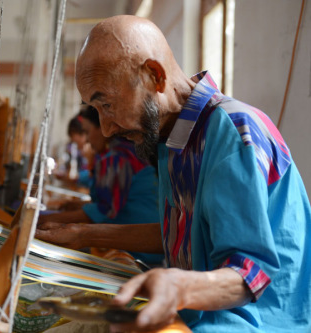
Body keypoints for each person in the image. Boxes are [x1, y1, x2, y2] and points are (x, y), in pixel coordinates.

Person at [70, 15, 311, 332]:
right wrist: (81, 234)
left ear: (154, 76)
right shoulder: (171, 140)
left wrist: (178, 287)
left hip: (255, 322)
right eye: (96, 110)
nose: (105, 128)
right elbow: (180, 235)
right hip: (198, 315)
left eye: (108, 105)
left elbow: (252, 273)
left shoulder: (233, 134)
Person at [37, 104, 163, 266]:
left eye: (88, 131)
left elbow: (103, 211)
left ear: (103, 128)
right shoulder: (126, 151)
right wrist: (80, 205)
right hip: (151, 242)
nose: (87, 139)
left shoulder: (117, 158)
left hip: (138, 250)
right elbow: (115, 201)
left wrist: (43, 220)